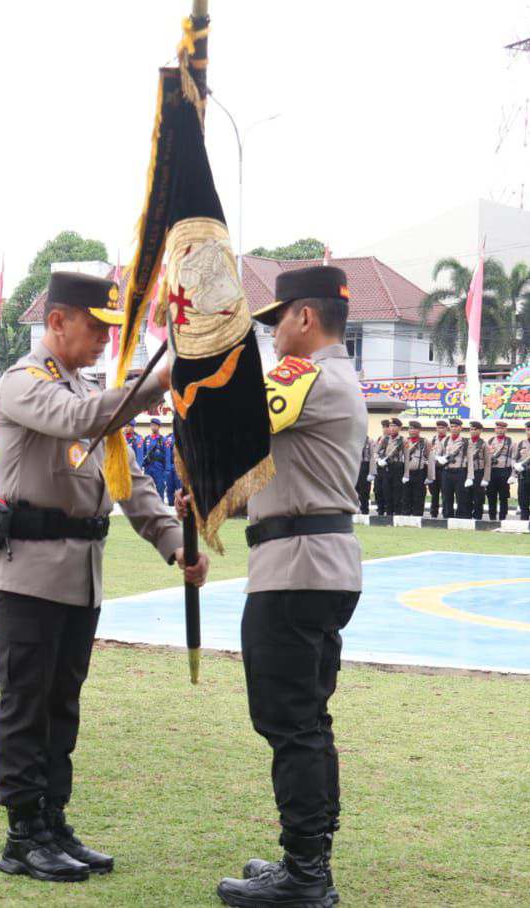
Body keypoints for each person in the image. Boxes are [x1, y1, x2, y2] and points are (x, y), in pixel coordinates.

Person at [0, 271, 207, 884]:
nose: (107, 339)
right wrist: (152, 384)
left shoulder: (87, 389)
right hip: (28, 573)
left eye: (113, 328)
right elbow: (82, 419)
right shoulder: (23, 384)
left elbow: (127, 477)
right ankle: (23, 833)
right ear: (56, 322)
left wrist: (171, 543)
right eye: (96, 326)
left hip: (79, 576)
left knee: (63, 705)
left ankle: (53, 821)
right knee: (27, 704)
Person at [216, 265, 362, 908]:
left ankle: (306, 875)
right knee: (306, 718)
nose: (273, 337)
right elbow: (270, 462)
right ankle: (305, 858)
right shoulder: (334, 379)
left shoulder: (306, 375)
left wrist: (200, 352)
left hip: (296, 566)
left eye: (277, 323)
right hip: (316, 561)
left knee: (290, 721)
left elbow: (232, 418)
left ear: (305, 317)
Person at [436, 418, 468, 518]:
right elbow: (436, 453)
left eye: (456, 426)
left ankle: (460, 518)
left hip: (460, 472)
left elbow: (470, 460)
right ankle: (447, 517)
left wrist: (470, 477)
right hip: (446, 471)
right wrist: (440, 458)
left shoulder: (465, 441)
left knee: (461, 497)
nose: (453, 428)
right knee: (446, 496)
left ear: (460, 428)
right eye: (452, 426)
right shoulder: (445, 440)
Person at [483, 420, 514, 521]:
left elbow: (514, 458)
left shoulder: (510, 442)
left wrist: (513, 474)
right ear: (495, 429)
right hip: (492, 472)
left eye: (502, 428)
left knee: (503, 497)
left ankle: (502, 518)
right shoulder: (490, 441)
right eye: (498, 428)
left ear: (506, 429)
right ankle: (492, 517)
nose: (500, 430)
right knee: (491, 496)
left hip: (504, 471)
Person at [398, 420, 430, 516]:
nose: (411, 430)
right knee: (405, 496)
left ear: (419, 430)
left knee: (418, 496)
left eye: (414, 428)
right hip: (406, 473)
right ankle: (406, 515)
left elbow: (430, 458)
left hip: (419, 472)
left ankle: (417, 516)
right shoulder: (404, 441)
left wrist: (430, 476)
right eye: (410, 428)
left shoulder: (424, 442)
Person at [143, 418, 170, 501]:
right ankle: (148, 506)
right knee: (147, 488)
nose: (153, 427)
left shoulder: (164, 440)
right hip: (148, 467)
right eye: (151, 425)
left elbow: (167, 455)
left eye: (155, 425)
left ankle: (160, 506)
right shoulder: (147, 439)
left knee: (160, 488)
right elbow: (144, 452)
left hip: (159, 467)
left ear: (159, 427)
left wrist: (167, 470)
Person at [428, 420, 448, 517]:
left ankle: (445, 513)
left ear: (446, 429)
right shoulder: (433, 440)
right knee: (434, 493)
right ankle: (433, 513)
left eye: (442, 428)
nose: (440, 430)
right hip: (434, 470)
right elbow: (430, 453)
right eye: (438, 428)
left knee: (445, 493)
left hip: (444, 469)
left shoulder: (449, 440)